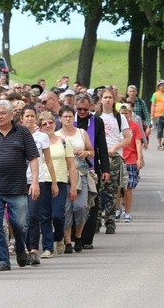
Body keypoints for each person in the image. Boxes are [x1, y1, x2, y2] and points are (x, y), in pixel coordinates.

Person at [0, 100, 40, 271]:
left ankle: (21, 248)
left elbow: (34, 158)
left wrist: (35, 182)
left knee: (21, 224)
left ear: (11, 115)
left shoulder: (22, 132)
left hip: (18, 187)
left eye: (2, 113)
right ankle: (3, 260)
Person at [20, 105, 58, 261]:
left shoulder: (42, 137)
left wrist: (54, 182)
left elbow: (48, 161)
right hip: (20, 181)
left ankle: (33, 249)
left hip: (37, 180)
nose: (29, 119)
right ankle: (23, 246)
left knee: (34, 216)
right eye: (26, 116)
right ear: (21, 118)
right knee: (22, 217)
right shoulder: (17, 135)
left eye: (32, 116)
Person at [56, 105, 94, 253]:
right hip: (62, 175)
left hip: (80, 174)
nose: (68, 119)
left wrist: (85, 152)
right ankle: (67, 241)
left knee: (80, 207)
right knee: (66, 210)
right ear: (60, 118)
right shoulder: (56, 135)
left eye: (70, 116)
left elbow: (91, 151)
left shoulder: (81, 133)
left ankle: (78, 235)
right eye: (65, 116)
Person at [38, 112, 77, 256]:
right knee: (45, 215)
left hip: (60, 181)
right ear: (40, 127)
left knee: (58, 215)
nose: (48, 126)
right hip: (43, 181)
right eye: (44, 124)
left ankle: (59, 236)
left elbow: (71, 165)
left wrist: (73, 186)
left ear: (55, 123)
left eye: (50, 122)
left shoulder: (64, 141)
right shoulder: (37, 142)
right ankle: (48, 247)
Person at [74, 94, 110, 249]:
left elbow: (102, 146)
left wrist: (106, 169)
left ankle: (87, 238)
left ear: (91, 107)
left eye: (85, 109)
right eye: (79, 109)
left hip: (92, 168)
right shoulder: (69, 119)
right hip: (72, 168)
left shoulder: (97, 121)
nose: (82, 112)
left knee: (92, 203)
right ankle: (73, 236)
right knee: (75, 204)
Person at [99, 88, 131, 234]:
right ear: (101, 99)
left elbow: (127, 138)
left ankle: (110, 222)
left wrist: (115, 147)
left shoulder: (119, 117)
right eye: (105, 97)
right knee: (97, 191)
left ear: (114, 100)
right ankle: (96, 221)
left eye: (110, 98)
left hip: (113, 157)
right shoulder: (95, 116)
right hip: (98, 157)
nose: (107, 100)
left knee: (111, 192)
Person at [118, 103, 143, 223]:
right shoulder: (115, 126)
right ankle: (117, 209)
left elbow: (138, 142)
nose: (123, 115)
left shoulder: (134, 126)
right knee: (117, 187)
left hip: (131, 160)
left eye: (126, 113)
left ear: (129, 114)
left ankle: (127, 212)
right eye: (121, 114)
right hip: (118, 158)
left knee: (128, 187)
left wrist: (139, 157)